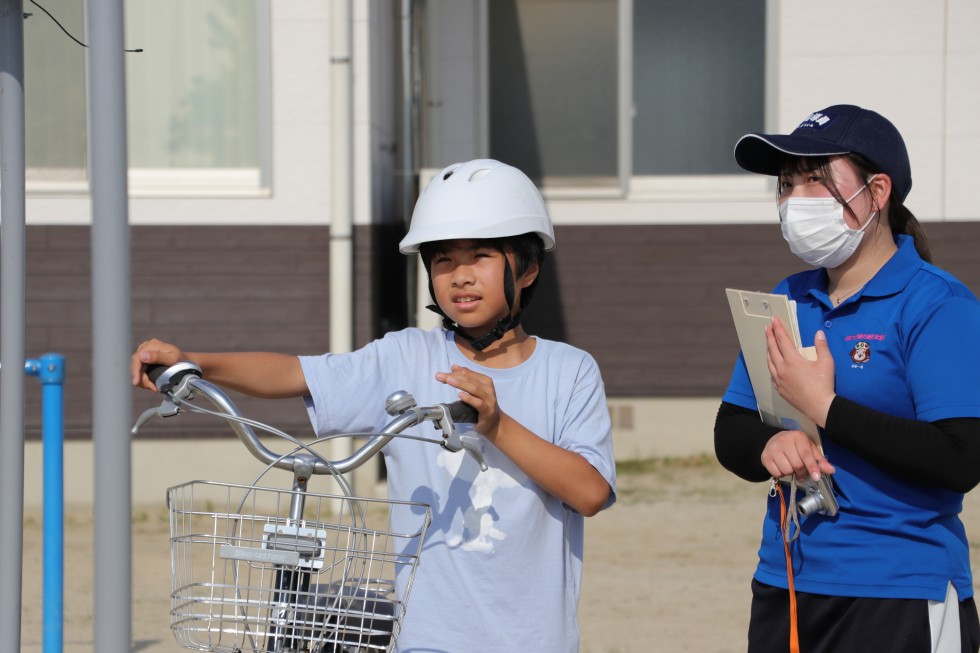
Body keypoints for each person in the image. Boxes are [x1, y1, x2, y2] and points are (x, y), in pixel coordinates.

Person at [132, 158, 617, 653]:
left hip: (532, 640)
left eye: (482, 256)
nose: (460, 275)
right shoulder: (406, 356)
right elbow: (294, 373)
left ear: (528, 267)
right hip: (428, 638)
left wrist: (496, 425)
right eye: (443, 260)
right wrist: (195, 361)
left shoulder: (569, 370)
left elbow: (590, 493)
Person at [714, 105, 980, 653]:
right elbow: (731, 427)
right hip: (787, 580)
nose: (794, 199)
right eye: (787, 184)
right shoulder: (788, 296)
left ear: (876, 192)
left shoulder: (937, 303)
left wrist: (825, 407)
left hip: (900, 590)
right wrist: (773, 442)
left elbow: (961, 458)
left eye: (816, 179)